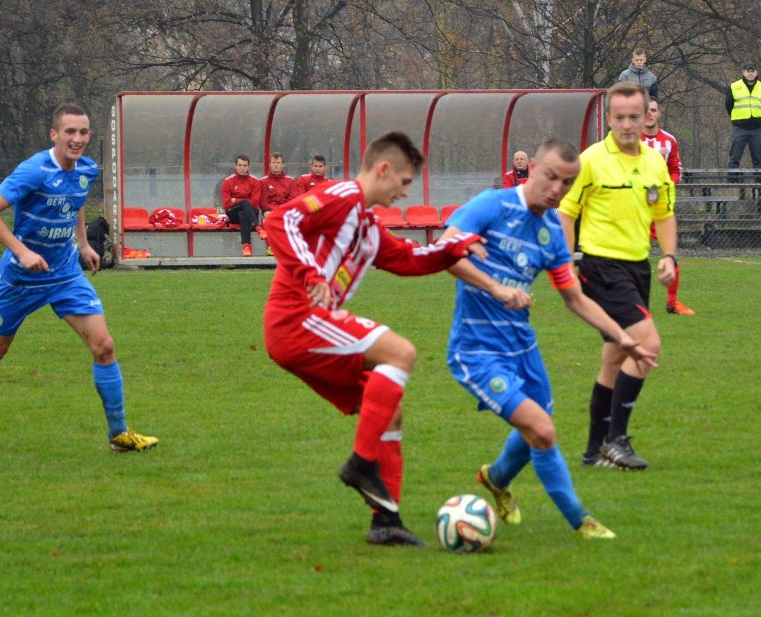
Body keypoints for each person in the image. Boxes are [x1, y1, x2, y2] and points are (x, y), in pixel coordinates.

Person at [263, 131, 486, 546]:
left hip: (309, 329)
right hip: (297, 319)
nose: (405, 193)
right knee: (401, 352)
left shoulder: (366, 226)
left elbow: (407, 259)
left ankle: (385, 521)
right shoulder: (344, 195)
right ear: (383, 169)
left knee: (390, 410)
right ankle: (362, 463)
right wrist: (311, 273)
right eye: (403, 182)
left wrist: (455, 248)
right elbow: (280, 219)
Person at [440, 137, 658, 540]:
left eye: (567, 183)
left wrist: (621, 337)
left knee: (538, 427)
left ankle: (496, 479)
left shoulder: (551, 234)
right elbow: (444, 247)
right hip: (476, 350)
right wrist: (496, 288)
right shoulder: (494, 204)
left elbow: (574, 297)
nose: (557, 189)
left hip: (523, 349)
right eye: (551, 177)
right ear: (535, 167)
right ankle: (581, 521)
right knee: (542, 430)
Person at [0, 103, 158, 452]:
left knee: (104, 346)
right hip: (22, 278)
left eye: (83, 132)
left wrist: (83, 243)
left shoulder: (86, 168)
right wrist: (22, 251)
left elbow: (77, 200)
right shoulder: (33, 171)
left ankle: (119, 433)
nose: (77, 139)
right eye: (70, 131)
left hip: (65, 273)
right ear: (54, 134)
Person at [558, 82, 676, 471]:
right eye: (619, 117)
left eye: (634, 117)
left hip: (637, 267)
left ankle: (593, 452)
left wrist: (669, 255)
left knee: (614, 358)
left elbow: (665, 214)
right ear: (608, 119)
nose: (627, 124)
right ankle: (615, 441)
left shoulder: (655, 163)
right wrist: (568, 261)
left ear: (646, 118)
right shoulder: (590, 160)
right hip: (601, 268)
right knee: (646, 345)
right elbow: (566, 213)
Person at [642, 98, 694, 315]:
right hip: (637, 207)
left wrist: (665, 187)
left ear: (659, 113)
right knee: (632, 257)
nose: (650, 114)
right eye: (646, 110)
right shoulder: (631, 139)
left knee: (671, 254)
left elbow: (676, 170)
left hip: (661, 207)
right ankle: (634, 302)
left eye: (653, 110)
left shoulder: (669, 140)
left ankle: (672, 303)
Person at [221, 155, 267, 256]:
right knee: (245, 203)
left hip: (250, 212)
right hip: (233, 213)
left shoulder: (255, 181)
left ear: (248, 167)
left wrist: (235, 199)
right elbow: (226, 203)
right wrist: (242, 201)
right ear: (235, 166)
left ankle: (246, 246)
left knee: (243, 213)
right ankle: (258, 228)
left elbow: (255, 203)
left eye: (245, 165)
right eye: (240, 165)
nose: (242, 168)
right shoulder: (228, 181)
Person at [725, 62, 761, 182]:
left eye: (752, 71)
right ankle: (730, 185)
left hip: (757, 129)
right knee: (735, 157)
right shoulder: (734, 86)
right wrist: (737, 118)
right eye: (748, 71)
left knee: (758, 159)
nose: (750, 73)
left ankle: (759, 186)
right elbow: (728, 105)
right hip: (739, 128)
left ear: (756, 72)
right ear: (743, 72)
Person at [259, 152, 297, 255]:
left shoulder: (291, 181)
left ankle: (288, 248)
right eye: (274, 162)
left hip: (286, 210)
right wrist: (270, 210)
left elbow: (292, 200)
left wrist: (282, 210)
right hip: (270, 211)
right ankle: (271, 247)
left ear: (282, 164)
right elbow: (263, 201)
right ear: (270, 164)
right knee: (268, 218)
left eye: (278, 162)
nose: (276, 165)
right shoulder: (263, 181)